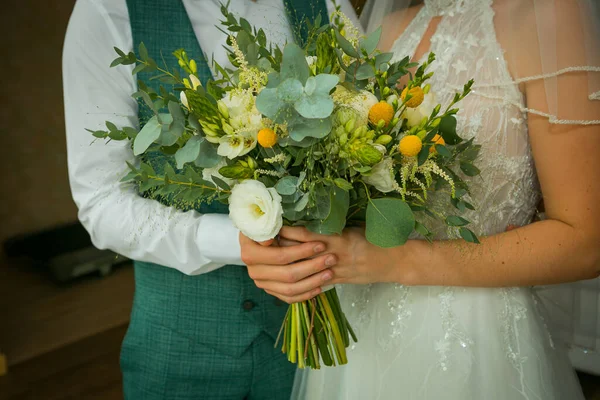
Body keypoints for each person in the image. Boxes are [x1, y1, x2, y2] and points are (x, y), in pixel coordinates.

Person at [240, 0, 600, 398]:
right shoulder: (384, 31)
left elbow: (585, 242)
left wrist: (390, 260)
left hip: (477, 336)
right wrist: (280, 234)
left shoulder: (549, 15)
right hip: (363, 332)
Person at [62, 1, 359, 399]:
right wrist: (236, 239)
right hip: (182, 350)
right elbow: (101, 201)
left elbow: (367, 113)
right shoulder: (108, 11)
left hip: (328, 351)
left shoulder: (325, 3)